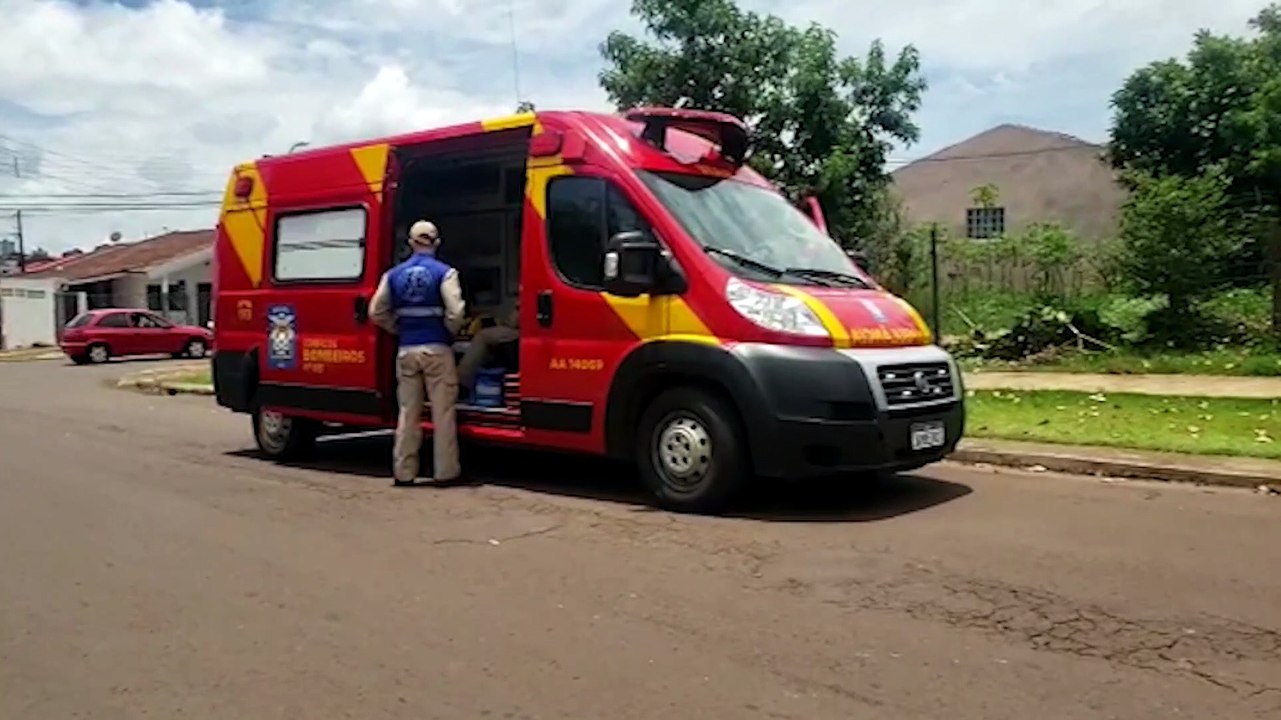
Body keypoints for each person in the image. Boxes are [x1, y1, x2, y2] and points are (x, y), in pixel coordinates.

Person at [370, 220, 467, 487]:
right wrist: (449, 332)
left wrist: (398, 328)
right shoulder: (445, 273)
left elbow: (376, 312)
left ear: (411, 243)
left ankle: (403, 472)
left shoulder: (393, 275)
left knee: (407, 412)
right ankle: (445, 472)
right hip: (437, 348)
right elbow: (456, 311)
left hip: (406, 350)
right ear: (436, 243)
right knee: (442, 412)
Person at [457, 289, 519, 390]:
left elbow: (515, 321)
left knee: (482, 336)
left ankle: (462, 381)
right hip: (516, 330)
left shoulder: (531, 295)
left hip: (523, 332)